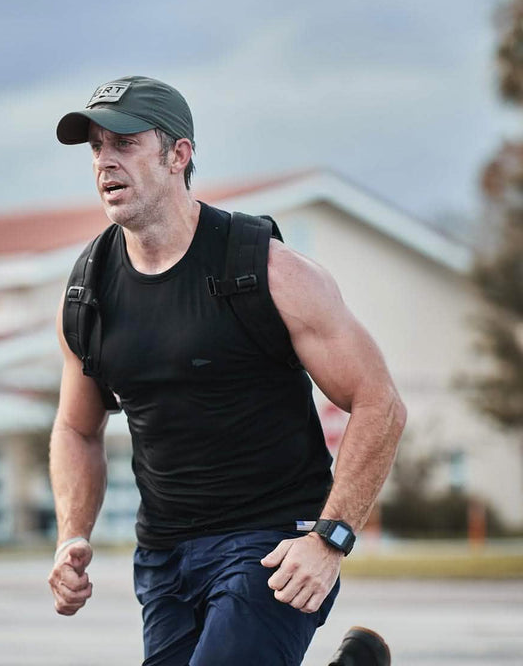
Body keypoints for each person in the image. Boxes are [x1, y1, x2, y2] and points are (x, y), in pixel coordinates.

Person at [47, 75, 405, 666]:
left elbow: (380, 402)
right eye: (96, 147)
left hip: (273, 544)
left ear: (178, 155)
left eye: (126, 143)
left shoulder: (267, 270)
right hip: (164, 554)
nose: (105, 162)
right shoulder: (89, 290)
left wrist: (330, 539)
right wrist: (72, 534)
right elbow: (76, 428)